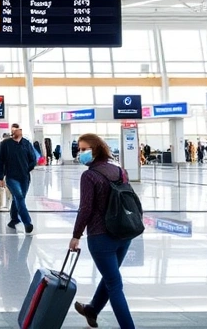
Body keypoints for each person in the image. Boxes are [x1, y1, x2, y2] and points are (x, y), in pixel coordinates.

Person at [70, 133, 136, 329]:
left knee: (114, 285)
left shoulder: (89, 175)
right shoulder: (120, 171)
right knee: (111, 277)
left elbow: (86, 208)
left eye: (83, 149)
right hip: (124, 233)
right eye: (79, 149)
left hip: (101, 237)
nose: (80, 153)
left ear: (95, 150)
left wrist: (76, 235)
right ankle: (92, 309)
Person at [0, 124, 37, 234]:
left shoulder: (26, 143)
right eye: (13, 130)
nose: (14, 132)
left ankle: (13, 219)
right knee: (19, 197)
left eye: (17, 130)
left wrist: (26, 169)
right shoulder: (5, 144)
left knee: (18, 198)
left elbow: (33, 159)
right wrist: (0, 177)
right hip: (11, 177)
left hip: (25, 177)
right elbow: (0, 161)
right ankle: (27, 222)